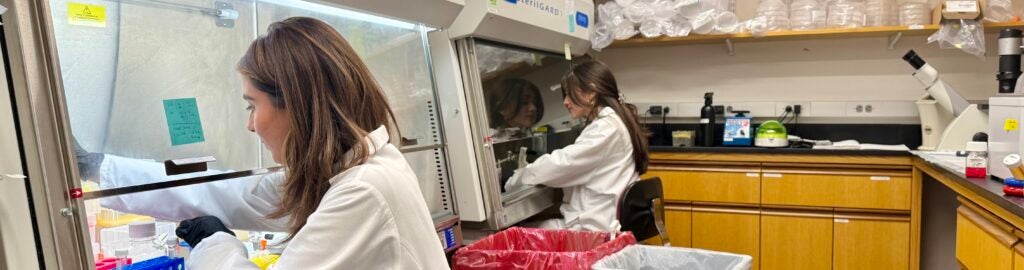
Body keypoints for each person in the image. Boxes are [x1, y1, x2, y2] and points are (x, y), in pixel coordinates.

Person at [85, 17, 448, 269]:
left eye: (252, 105)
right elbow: (230, 191)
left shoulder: (363, 191)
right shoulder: (355, 168)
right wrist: (98, 167)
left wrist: (216, 244)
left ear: (297, 104)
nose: (249, 125)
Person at [503, 60, 649, 232]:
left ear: (591, 93)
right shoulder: (613, 121)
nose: (565, 101)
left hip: (590, 231)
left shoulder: (606, 129)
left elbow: (560, 164)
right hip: (599, 223)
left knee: (511, 234)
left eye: (569, 94)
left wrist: (516, 178)